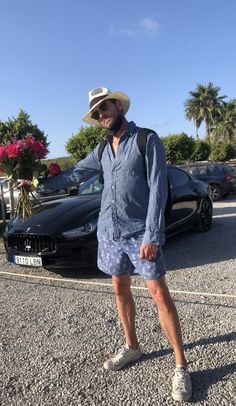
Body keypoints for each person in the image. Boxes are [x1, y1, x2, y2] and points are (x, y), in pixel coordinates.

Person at [39, 87, 192, 402]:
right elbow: (76, 175)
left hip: (139, 232)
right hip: (109, 233)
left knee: (159, 294)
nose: (100, 115)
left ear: (118, 105)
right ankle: (132, 346)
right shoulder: (102, 148)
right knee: (119, 289)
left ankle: (181, 365)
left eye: (103, 108)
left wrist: (152, 235)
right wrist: (38, 184)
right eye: (95, 113)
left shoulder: (146, 140)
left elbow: (158, 190)